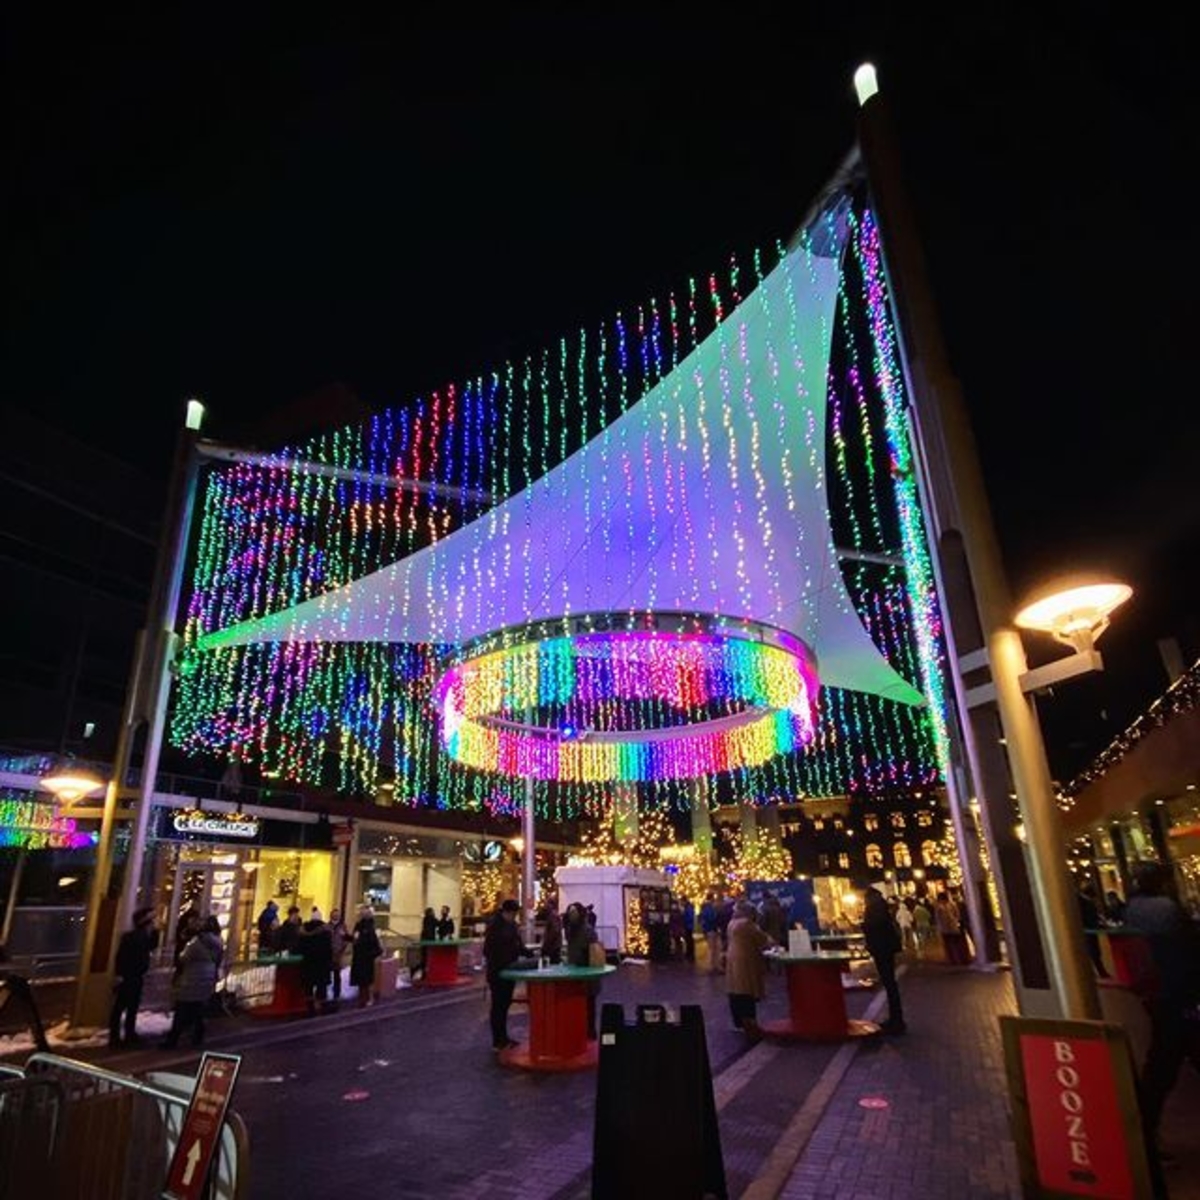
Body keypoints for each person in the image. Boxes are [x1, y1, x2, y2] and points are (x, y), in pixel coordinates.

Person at [1122, 862, 1200, 1161]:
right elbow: (1189, 949)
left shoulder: (1132, 908)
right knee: (1164, 1065)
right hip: (1180, 996)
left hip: (1159, 997)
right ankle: (1142, 1139)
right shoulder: (1167, 910)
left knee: (1159, 1068)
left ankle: (1143, 1135)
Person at [163, 915, 223, 1048]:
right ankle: (197, 1037)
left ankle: (173, 1039)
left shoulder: (196, 943)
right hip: (207, 976)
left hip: (192, 978)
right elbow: (219, 959)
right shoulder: (217, 942)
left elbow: (184, 957)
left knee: (183, 1008)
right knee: (198, 1008)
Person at [109, 906, 159, 1048]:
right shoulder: (135, 937)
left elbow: (152, 946)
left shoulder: (139, 936)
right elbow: (122, 957)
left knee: (128, 1006)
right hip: (130, 976)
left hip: (132, 975)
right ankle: (119, 1037)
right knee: (124, 1006)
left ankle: (125, 1035)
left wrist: (156, 931)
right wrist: (119, 974)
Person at [725, 900, 772, 1036]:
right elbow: (762, 939)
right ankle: (749, 1022)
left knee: (735, 990)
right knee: (746, 991)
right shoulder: (747, 924)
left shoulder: (732, 923)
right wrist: (771, 941)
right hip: (745, 959)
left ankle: (738, 1021)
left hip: (733, 958)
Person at [483, 899, 526, 1051]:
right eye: (513, 914)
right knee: (498, 1006)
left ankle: (503, 1038)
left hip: (508, 971)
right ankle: (498, 1041)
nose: (514, 917)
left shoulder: (511, 925)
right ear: (507, 912)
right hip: (498, 972)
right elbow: (488, 950)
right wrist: (503, 961)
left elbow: (518, 945)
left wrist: (526, 952)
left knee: (504, 1005)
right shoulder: (495, 926)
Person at [863, 887, 905, 1034]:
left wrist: (864, 926)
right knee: (890, 983)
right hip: (886, 947)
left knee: (889, 983)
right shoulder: (882, 907)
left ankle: (896, 1021)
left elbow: (873, 927)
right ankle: (895, 1019)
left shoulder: (874, 909)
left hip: (882, 948)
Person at [564, 902, 602, 1039]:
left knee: (589, 1006)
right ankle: (582, 1031)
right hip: (577, 973)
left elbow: (594, 952)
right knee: (580, 1005)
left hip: (588, 974)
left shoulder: (587, 930)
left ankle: (590, 1032)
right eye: (570, 913)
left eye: (574, 913)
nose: (572, 916)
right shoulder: (571, 930)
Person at [298, 912, 333, 1014]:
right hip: (321, 963)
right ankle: (322, 1006)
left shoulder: (303, 931)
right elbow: (328, 949)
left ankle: (309, 1008)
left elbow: (299, 947)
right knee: (321, 986)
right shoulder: (325, 931)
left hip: (308, 963)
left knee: (308, 986)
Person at [350, 906, 383, 1008]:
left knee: (367, 980)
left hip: (366, 956)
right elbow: (355, 938)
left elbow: (374, 942)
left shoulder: (371, 927)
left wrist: (374, 953)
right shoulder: (359, 925)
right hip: (360, 956)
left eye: (364, 913)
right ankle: (362, 998)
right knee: (362, 979)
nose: (362, 915)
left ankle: (368, 998)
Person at [1077, 881, 1110, 978]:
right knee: (1094, 951)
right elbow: (1090, 917)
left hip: (1087, 930)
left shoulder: (1080, 901)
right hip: (1089, 930)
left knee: (1092, 951)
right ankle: (1101, 972)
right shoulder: (1086, 903)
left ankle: (1097, 972)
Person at [326, 907, 350, 1003]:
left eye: (338, 914)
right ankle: (327, 993)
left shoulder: (342, 926)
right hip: (328, 954)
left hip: (338, 954)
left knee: (337, 975)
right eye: (335, 914)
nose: (336, 916)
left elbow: (346, 939)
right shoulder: (327, 926)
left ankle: (337, 994)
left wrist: (342, 950)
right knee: (327, 975)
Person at [933, 892, 965, 964]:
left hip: (952, 927)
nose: (941, 901)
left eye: (942, 899)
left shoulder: (952, 905)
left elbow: (957, 914)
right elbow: (937, 918)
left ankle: (959, 958)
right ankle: (952, 959)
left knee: (955, 943)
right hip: (945, 928)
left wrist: (956, 921)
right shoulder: (938, 907)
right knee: (948, 945)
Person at [699, 893, 721, 972]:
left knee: (713, 948)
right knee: (714, 948)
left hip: (709, 929)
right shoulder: (710, 907)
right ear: (711, 899)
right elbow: (712, 917)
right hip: (711, 929)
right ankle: (713, 966)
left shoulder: (704, 907)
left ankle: (713, 966)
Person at [540, 897, 563, 965]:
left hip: (552, 946)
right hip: (554, 945)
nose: (545, 905)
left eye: (546, 903)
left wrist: (546, 944)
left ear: (551, 905)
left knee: (551, 965)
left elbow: (554, 931)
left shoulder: (553, 916)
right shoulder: (553, 915)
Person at [681, 896, 696, 962]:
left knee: (689, 940)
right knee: (688, 940)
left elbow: (689, 917)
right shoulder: (688, 907)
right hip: (689, 925)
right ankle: (689, 953)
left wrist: (684, 919)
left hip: (688, 926)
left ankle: (690, 954)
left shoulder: (688, 907)